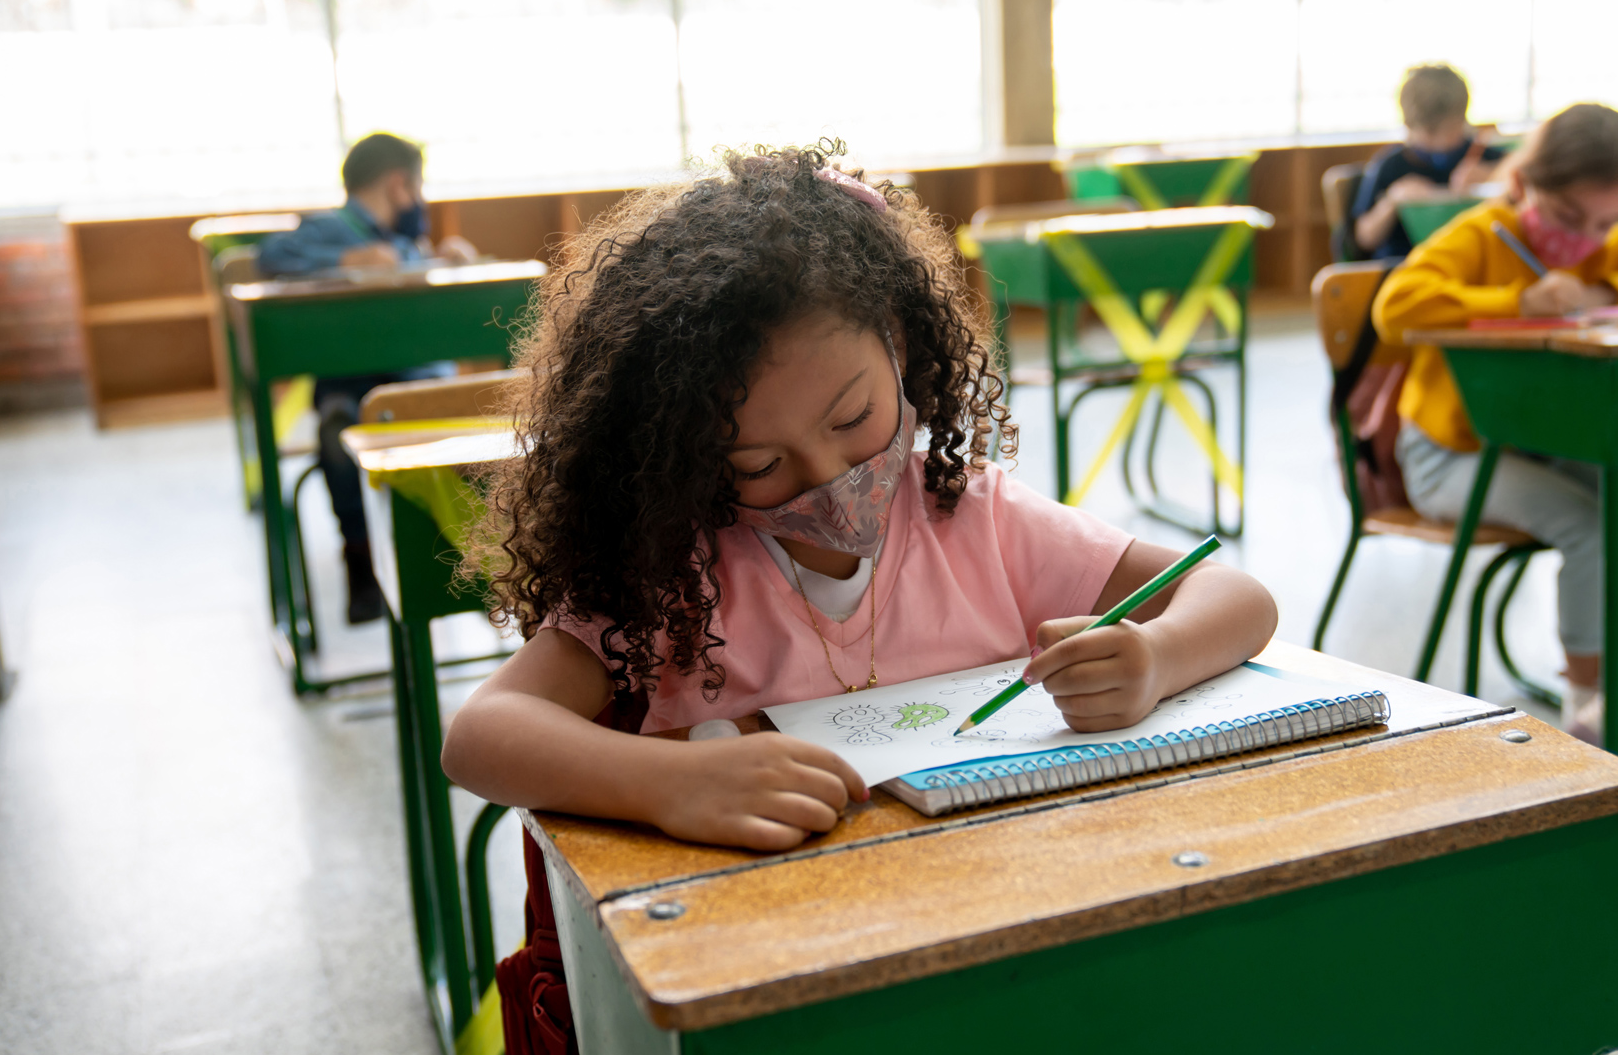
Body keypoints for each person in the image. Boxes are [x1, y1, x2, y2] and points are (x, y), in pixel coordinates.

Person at [442, 144, 1278, 847]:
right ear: (685, 453)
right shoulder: (670, 575)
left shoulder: (976, 517)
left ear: (899, 343)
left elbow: (1236, 597)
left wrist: (1156, 659)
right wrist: (667, 780)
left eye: (852, 419)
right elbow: (482, 734)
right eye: (759, 464)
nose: (828, 478)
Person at [1372, 103, 1618, 807]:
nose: (1583, 238)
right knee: (1588, 524)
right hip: (1449, 457)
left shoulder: (1604, 249)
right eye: (1568, 216)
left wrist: (1602, 289)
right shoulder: (1481, 234)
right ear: (1524, 183)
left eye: (1605, 223)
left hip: (1546, 449)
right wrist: (1519, 300)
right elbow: (1396, 306)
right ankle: (1589, 708)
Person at [256, 132, 478, 624]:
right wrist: (344, 262)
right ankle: (361, 560)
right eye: (416, 188)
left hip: (420, 382)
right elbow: (270, 256)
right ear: (398, 184)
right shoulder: (331, 229)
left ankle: (471, 556)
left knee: (472, 415)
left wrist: (448, 260)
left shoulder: (405, 240)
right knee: (337, 430)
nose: (418, 201)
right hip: (351, 385)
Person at [1350, 63, 1503, 261]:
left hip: (1469, 263)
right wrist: (1393, 200)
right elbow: (1364, 237)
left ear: (1463, 119)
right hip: (1405, 266)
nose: (1441, 141)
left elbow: (1521, 178)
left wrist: (1494, 176)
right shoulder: (1390, 165)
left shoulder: (1481, 156)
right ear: (1408, 125)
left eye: (1450, 130)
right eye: (1430, 133)